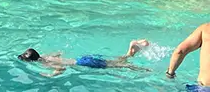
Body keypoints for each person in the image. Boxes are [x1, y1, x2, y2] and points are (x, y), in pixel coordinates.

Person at [18, 39, 150, 76]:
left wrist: (51, 75)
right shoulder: (46, 56)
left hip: (83, 63)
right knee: (114, 62)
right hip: (82, 58)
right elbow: (59, 53)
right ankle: (132, 50)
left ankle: (143, 70)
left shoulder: (45, 63)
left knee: (119, 66)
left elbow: (61, 69)